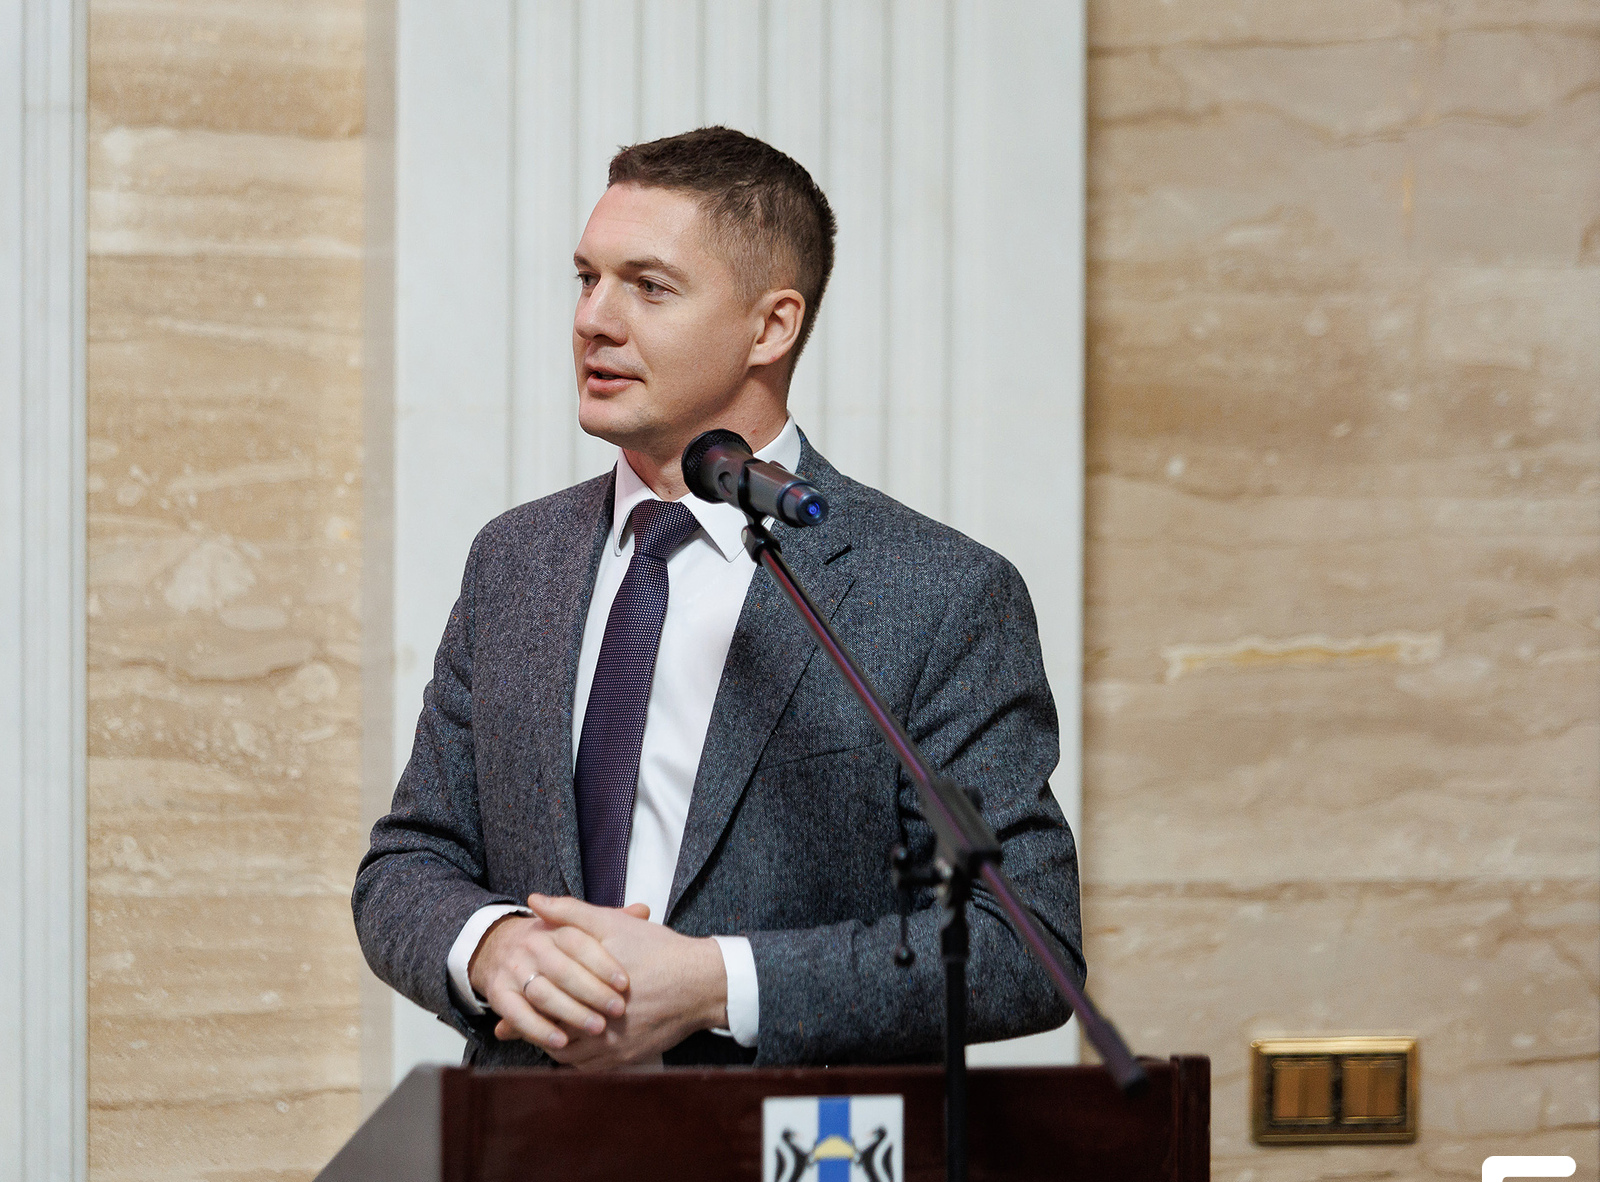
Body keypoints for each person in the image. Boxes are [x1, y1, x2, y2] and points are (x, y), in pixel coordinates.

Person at [353, 126, 1082, 1069]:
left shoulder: (937, 593)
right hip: (525, 1138)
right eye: (586, 279)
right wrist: (495, 949)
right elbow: (410, 862)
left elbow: (1024, 943)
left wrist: (714, 983)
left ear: (770, 327)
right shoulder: (514, 561)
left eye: (649, 287)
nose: (594, 320)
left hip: (783, 1146)